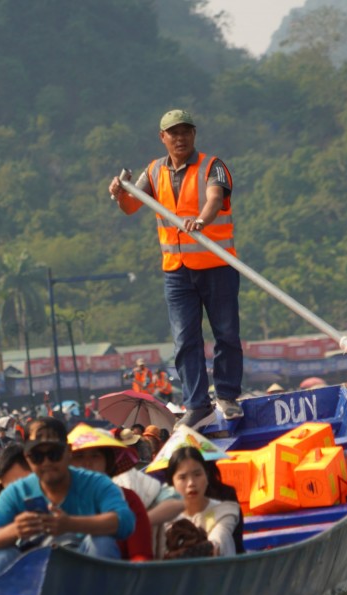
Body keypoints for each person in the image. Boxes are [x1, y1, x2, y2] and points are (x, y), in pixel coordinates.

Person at [109, 109, 244, 428]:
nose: (180, 138)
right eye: (173, 133)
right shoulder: (154, 171)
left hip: (217, 265)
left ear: (194, 134)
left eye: (185, 132)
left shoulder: (214, 166)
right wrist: (120, 192)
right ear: (163, 138)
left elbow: (213, 199)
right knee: (185, 338)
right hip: (177, 269)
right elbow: (131, 206)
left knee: (226, 333)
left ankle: (226, 396)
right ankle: (198, 404)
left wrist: (201, 219)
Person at [0, 417, 135, 578]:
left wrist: (71, 524)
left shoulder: (96, 483)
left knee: (103, 543)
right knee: (0, 557)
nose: (46, 462)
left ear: (68, 452)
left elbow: (125, 521)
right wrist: (15, 530)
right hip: (33, 572)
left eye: (54, 454)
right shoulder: (16, 492)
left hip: (84, 568)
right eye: (37, 456)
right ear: (27, 457)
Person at [68, 424, 154, 561]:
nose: (87, 463)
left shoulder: (127, 499)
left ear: (107, 462)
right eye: (79, 456)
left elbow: (140, 556)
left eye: (95, 456)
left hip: (115, 578)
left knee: (101, 541)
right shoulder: (54, 500)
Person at [163, 447, 240, 557]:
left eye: (197, 474)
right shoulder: (166, 518)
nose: (191, 483)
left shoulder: (225, 512)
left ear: (207, 476)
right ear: (172, 483)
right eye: (182, 477)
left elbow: (215, 545)